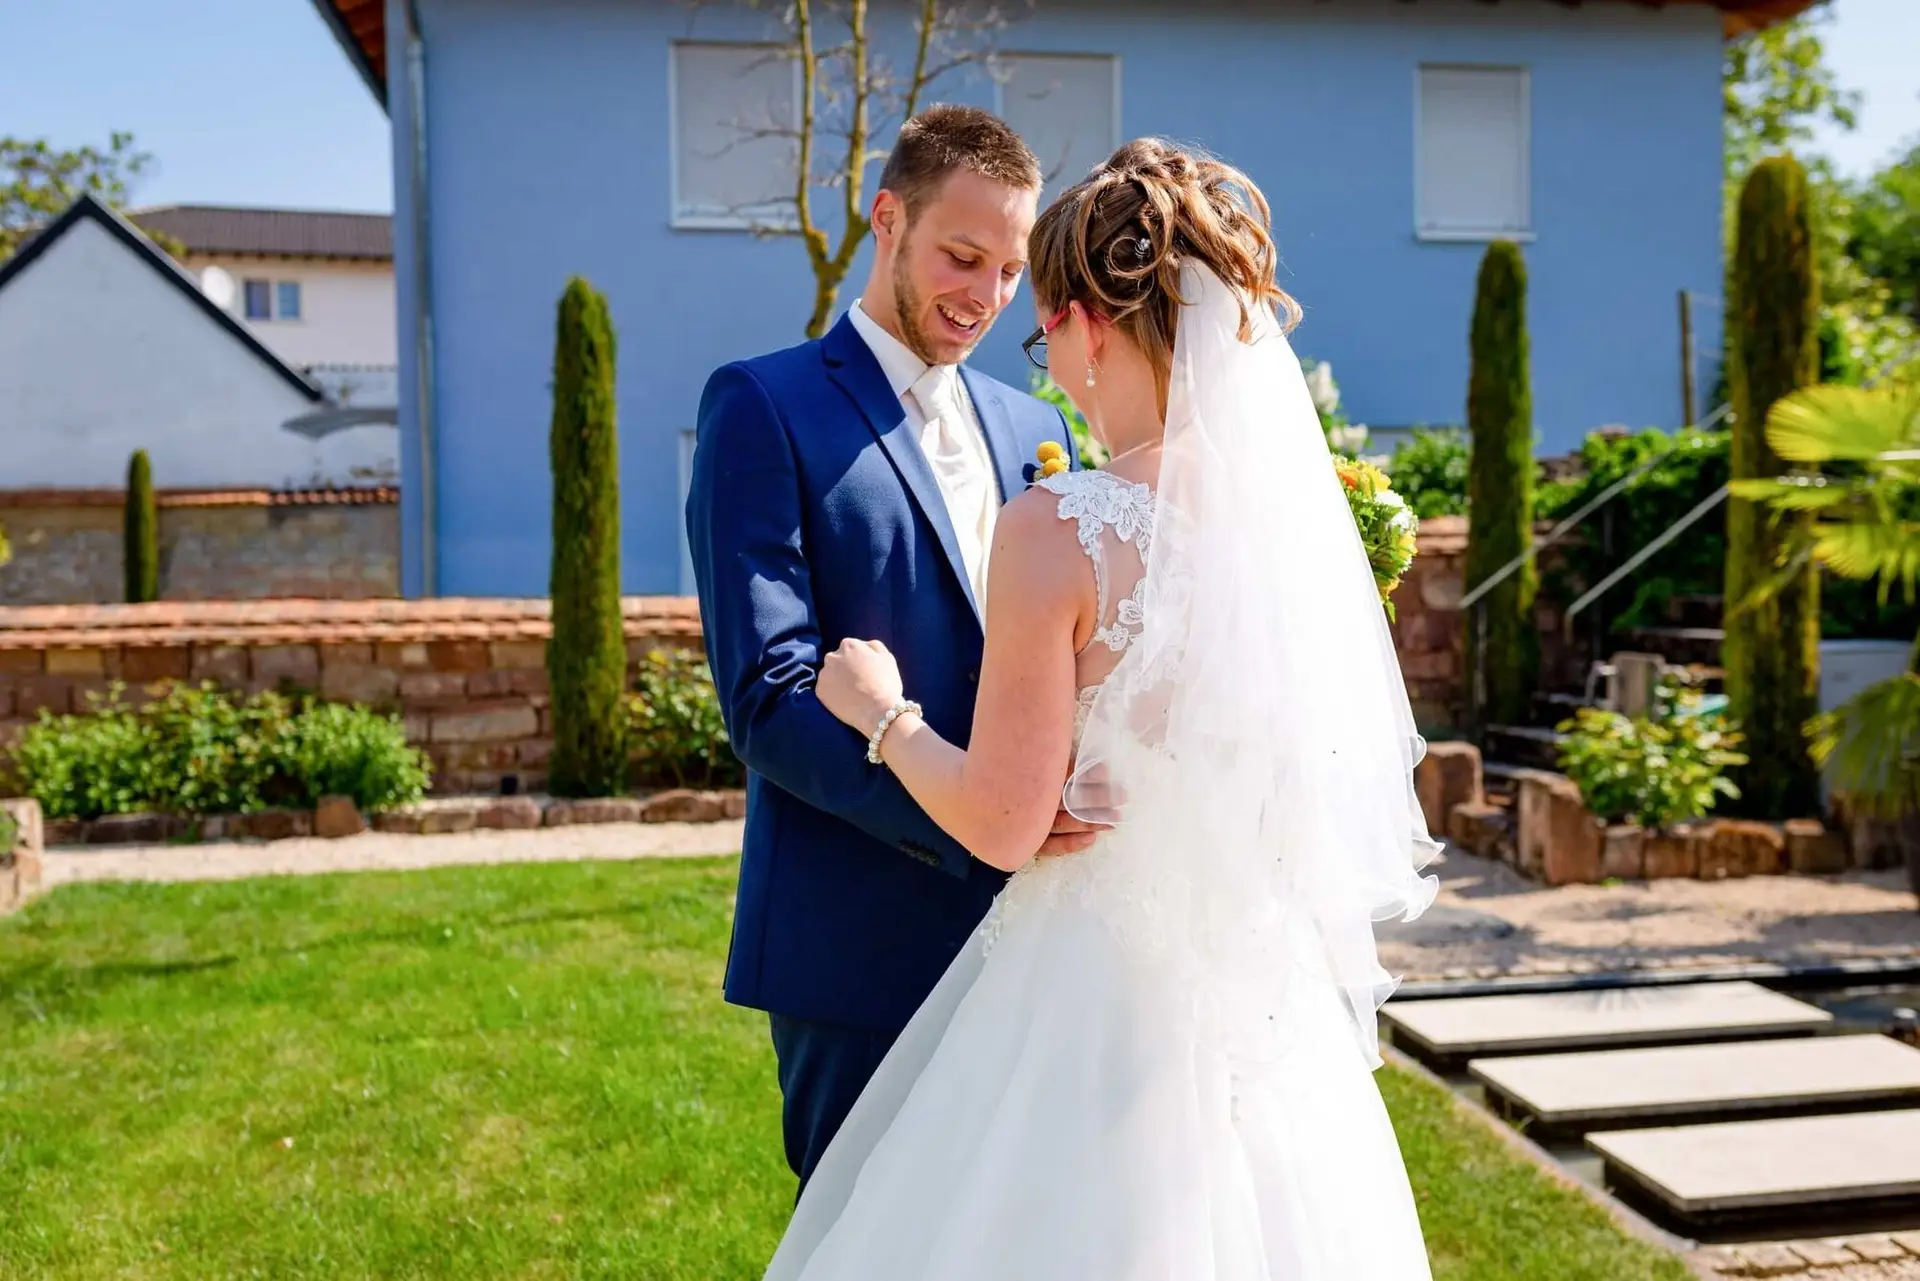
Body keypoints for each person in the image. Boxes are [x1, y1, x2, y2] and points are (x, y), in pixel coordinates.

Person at [777, 138, 1443, 1277]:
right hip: (1266, 1016)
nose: (1049, 367)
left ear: (1086, 320)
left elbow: (1001, 820)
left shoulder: (1061, 525)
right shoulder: (1298, 530)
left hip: (1094, 997)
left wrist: (882, 713)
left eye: (1043, 333)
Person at [684, 104, 1101, 1195]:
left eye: (1011, 272)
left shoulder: (1030, 426)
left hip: (1035, 943)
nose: (987, 297)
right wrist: (983, 823)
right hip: (856, 943)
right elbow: (768, 697)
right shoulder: (762, 406)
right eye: (963, 257)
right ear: (887, 218)